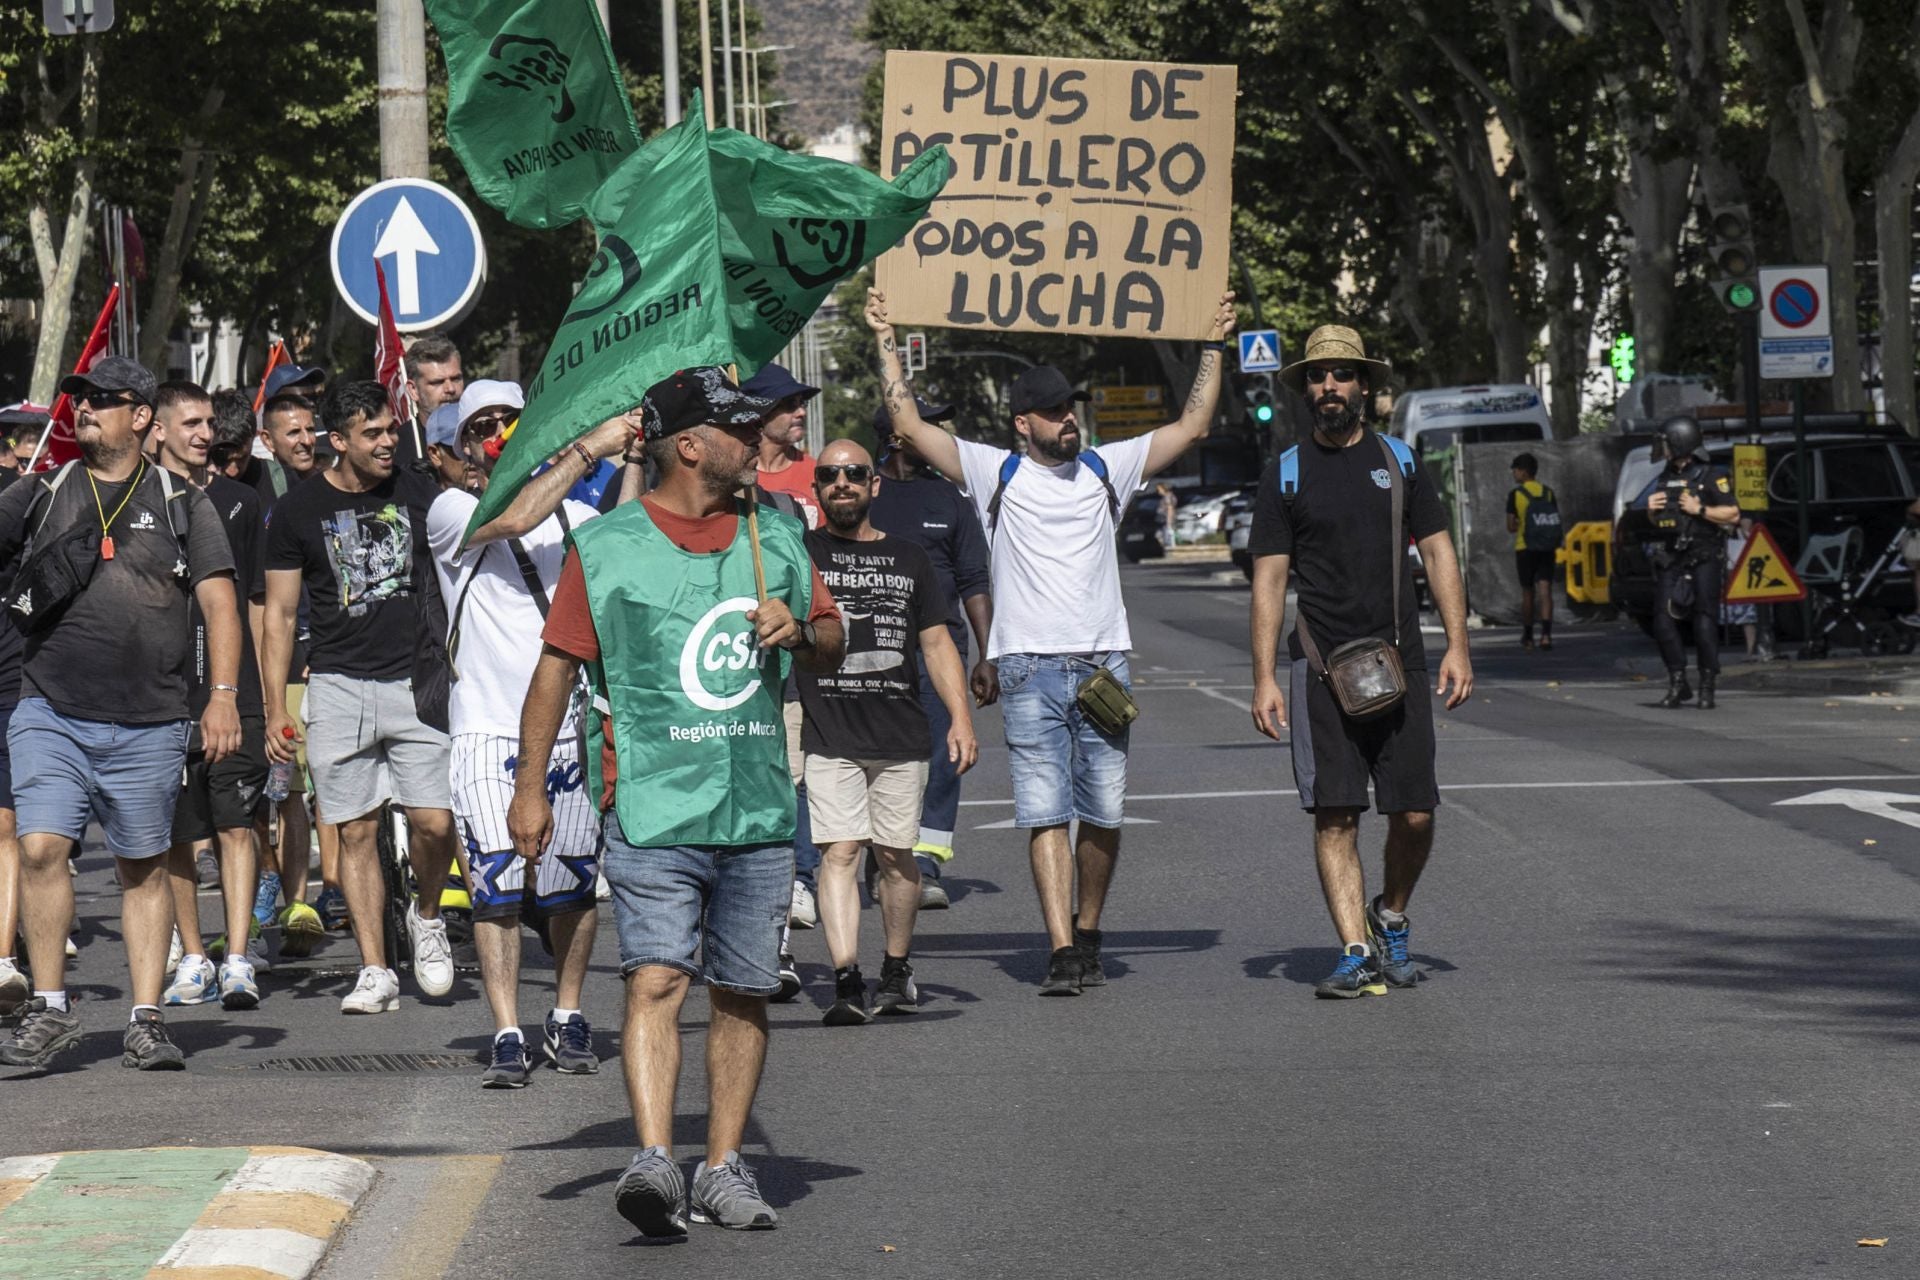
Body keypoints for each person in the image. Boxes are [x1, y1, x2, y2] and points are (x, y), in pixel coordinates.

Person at [510, 367, 844, 1237]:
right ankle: (655, 1157)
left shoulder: (775, 532)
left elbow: (834, 637)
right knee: (656, 976)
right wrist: (528, 791)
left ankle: (724, 1169)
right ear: (691, 445)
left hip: (758, 810)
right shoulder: (609, 545)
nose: (761, 439)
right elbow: (555, 670)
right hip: (652, 805)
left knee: (741, 992)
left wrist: (800, 630)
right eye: (741, 428)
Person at [867, 287, 1237, 996]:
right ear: (1022, 424)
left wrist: (1215, 340)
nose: (1070, 420)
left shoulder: (1108, 467)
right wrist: (887, 334)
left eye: (1072, 409)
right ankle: (1063, 947)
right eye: (1055, 412)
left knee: (1103, 813)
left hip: (1104, 668)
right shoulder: (993, 472)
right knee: (1045, 811)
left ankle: (1090, 927)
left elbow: (1191, 424)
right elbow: (909, 425)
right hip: (1028, 671)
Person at [0, 356, 243, 1071]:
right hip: (51, 709)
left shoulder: (179, 500)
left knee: (143, 865)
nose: (84, 410)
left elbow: (220, 601)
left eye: (102, 400)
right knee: (43, 847)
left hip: (152, 717)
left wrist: (222, 696)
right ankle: (49, 1006)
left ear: (140, 416)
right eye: (79, 400)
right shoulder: (41, 491)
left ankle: (146, 1018)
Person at [1247, 326, 1473, 999]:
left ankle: (1390, 914)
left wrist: (1459, 644)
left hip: (1399, 663)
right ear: (1306, 391)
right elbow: (1268, 580)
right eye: (1318, 378)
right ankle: (1354, 951)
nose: (1329, 388)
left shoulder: (1401, 462)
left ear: (1364, 388)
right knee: (1336, 816)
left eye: (1342, 375)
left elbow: (1438, 553)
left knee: (1415, 814)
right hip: (1321, 669)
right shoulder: (1284, 473)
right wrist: (1262, 676)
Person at [428, 381, 634, 1088]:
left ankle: (568, 1012)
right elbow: (515, 519)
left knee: (572, 887)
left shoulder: (576, 516)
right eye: (478, 427)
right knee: (497, 888)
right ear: (461, 451)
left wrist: (630, 446)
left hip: (569, 729)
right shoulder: (454, 509)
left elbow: (624, 533)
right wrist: (588, 447)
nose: (494, 434)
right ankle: (509, 1028)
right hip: (486, 729)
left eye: (506, 420)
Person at [262, 380, 459, 1014]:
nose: (387, 441)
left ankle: (426, 917)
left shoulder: (419, 491)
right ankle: (375, 969)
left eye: (391, 429)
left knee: (434, 821)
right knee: (354, 832)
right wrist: (273, 707)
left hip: (415, 681)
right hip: (339, 685)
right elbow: (280, 614)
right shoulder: (297, 512)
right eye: (371, 433)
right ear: (338, 440)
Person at [798, 439, 977, 1024]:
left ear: (875, 486)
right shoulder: (798, 554)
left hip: (901, 734)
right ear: (818, 488)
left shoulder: (909, 558)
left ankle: (896, 967)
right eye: (830, 475)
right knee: (841, 852)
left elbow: (936, 642)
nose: (842, 483)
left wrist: (961, 716)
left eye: (854, 474)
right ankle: (847, 978)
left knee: (897, 857)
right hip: (830, 731)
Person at [146, 382, 272, 1012]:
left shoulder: (242, 501)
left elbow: (255, 603)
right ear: (158, 429)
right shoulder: (136, 502)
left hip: (233, 691)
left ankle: (239, 958)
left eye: (207, 424)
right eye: (189, 423)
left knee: (236, 826)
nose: (202, 434)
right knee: (176, 832)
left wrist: (260, 697)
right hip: (162, 697)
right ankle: (193, 957)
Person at [867, 397, 997, 907]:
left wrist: (989, 654)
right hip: (871, 651)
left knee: (945, 753)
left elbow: (974, 579)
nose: (940, 433)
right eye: (927, 425)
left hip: (940, 649)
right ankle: (883, 861)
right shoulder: (864, 492)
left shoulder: (952, 499)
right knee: (878, 757)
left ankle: (926, 863)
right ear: (899, 437)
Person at [1631, 416, 1740, 709]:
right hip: (1672, 556)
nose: (1662, 448)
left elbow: (1732, 515)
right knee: (1663, 622)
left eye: (1666, 443)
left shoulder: (1711, 475)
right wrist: (1652, 513)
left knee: (1704, 622)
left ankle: (1708, 685)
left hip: (1704, 555)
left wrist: (1700, 508)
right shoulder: (1665, 477)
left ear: (1680, 443)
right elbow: (1662, 519)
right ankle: (1678, 681)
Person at [740, 363, 821, 528]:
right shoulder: (736, 477)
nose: (802, 412)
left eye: (802, 403)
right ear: (760, 413)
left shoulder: (818, 473)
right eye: (791, 404)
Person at [1505, 453, 1558, 651]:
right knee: (1545, 590)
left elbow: (1510, 526)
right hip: (1547, 547)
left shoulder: (1516, 495)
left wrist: (1520, 523)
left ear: (1523, 471)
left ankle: (1528, 636)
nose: (1514, 473)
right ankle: (1546, 635)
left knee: (1528, 592)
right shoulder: (1548, 492)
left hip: (1525, 548)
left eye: (1516, 469)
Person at [405, 332, 465, 461]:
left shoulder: (480, 435)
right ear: (413, 390)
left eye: (456, 379)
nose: (450, 389)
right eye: (437, 382)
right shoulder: (399, 446)